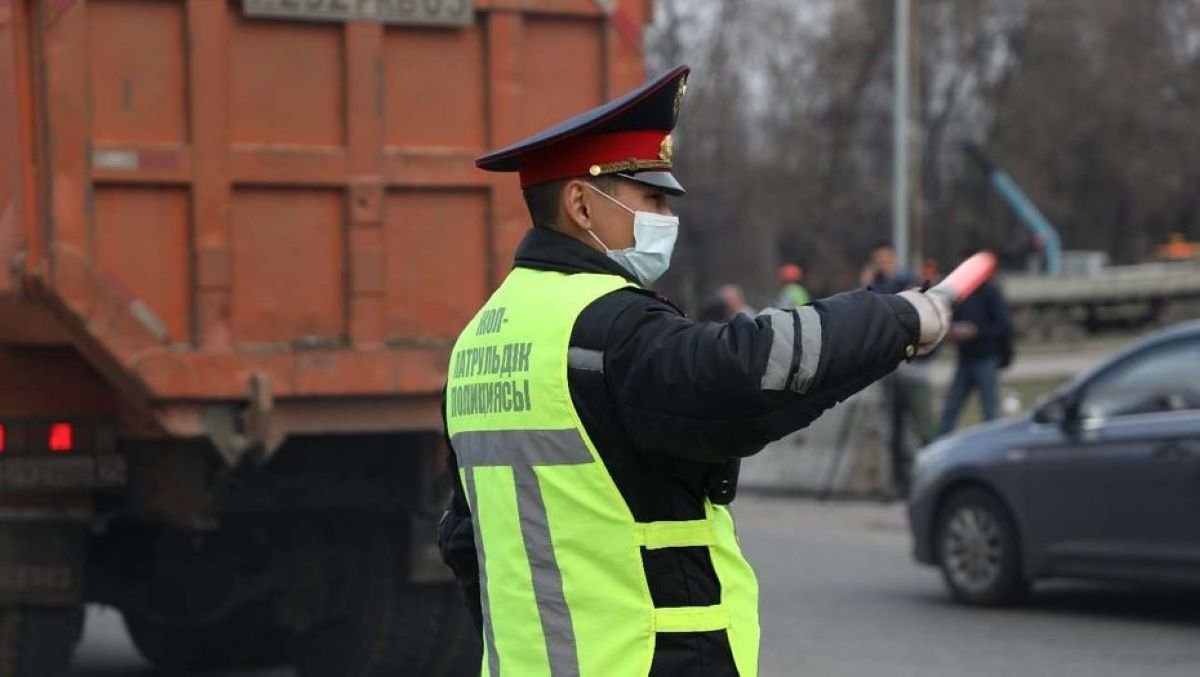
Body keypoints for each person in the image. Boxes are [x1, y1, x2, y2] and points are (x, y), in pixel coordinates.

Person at [437, 65, 953, 677]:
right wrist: (895, 319)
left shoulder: (478, 340)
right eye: (650, 198)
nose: (666, 217)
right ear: (580, 203)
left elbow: (465, 541)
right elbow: (743, 373)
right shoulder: (608, 327)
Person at [938, 276, 1012, 435]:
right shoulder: (962, 295)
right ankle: (940, 445)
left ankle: (992, 446)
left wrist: (977, 331)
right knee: (951, 407)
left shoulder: (991, 292)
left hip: (986, 357)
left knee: (990, 409)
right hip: (965, 358)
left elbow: (1001, 326)